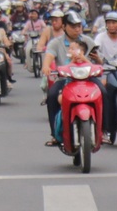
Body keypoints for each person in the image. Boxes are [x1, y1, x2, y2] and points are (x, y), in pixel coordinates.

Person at [42, 9, 100, 146]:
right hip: (65, 80)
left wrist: (97, 60)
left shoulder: (88, 41)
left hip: (88, 79)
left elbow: (98, 60)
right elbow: (49, 56)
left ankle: (103, 131)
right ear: (64, 27)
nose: (77, 29)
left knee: (103, 92)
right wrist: (46, 67)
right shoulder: (56, 43)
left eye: (79, 26)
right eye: (73, 26)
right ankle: (55, 134)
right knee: (52, 96)